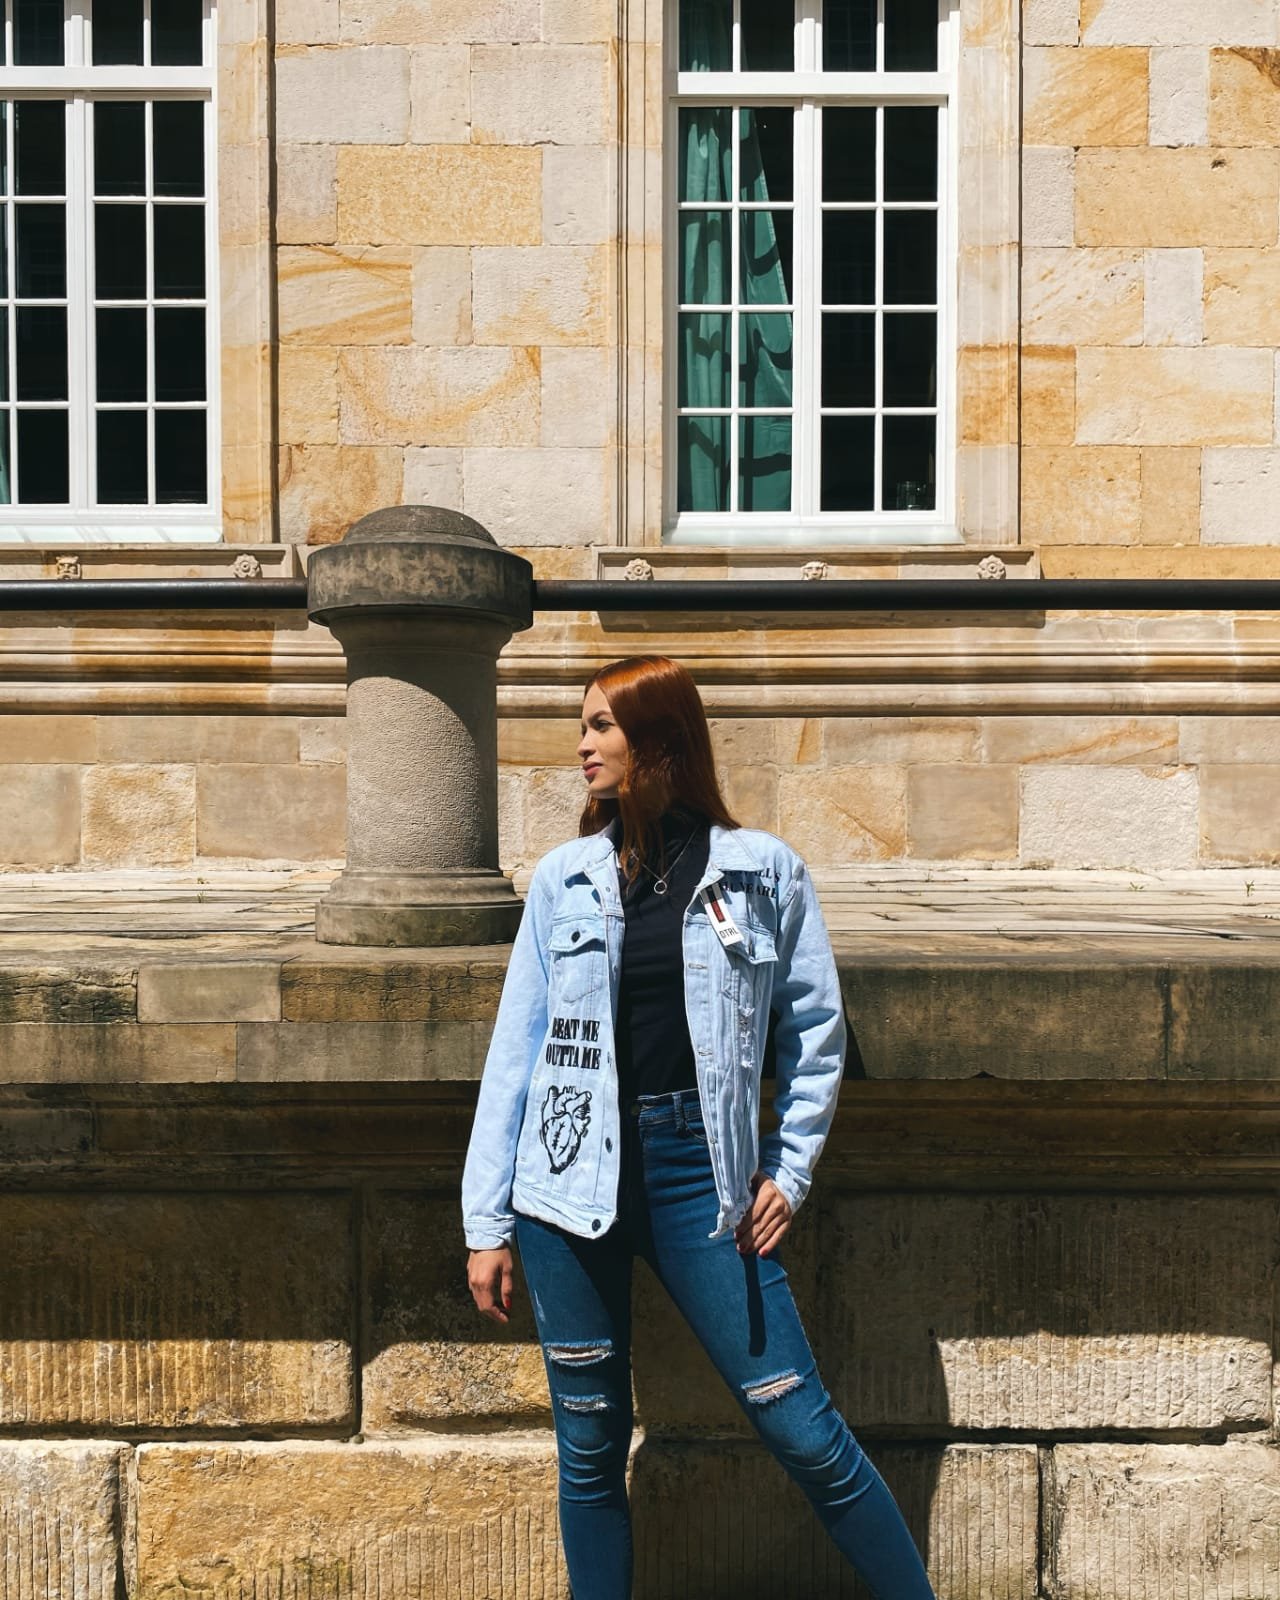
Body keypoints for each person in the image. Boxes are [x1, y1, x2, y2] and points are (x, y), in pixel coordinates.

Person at [462, 654, 936, 1600]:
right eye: (583, 724)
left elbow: (816, 1036)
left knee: (802, 1427)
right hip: (564, 1180)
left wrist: (788, 1172)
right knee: (588, 1451)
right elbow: (515, 1052)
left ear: (660, 740)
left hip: (701, 1181)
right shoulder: (563, 881)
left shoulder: (762, 872)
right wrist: (487, 1221)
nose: (582, 743)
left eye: (601, 725)